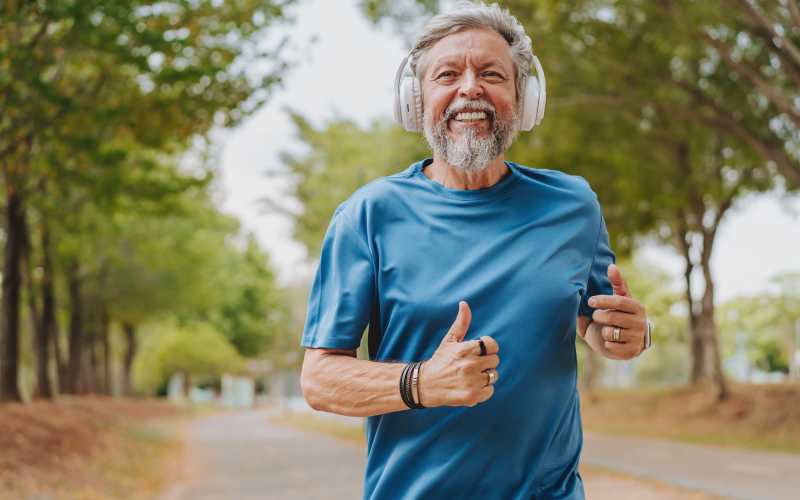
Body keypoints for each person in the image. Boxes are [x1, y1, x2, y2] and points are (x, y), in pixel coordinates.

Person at [299, 2, 652, 499]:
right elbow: (319, 380)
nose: (470, 88)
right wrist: (422, 383)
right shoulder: (367, 216)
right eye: (447, 74)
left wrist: (629, 335)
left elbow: (593, 323)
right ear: (416, 99)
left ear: (524, 97)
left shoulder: (573, 206)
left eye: (491, 74)